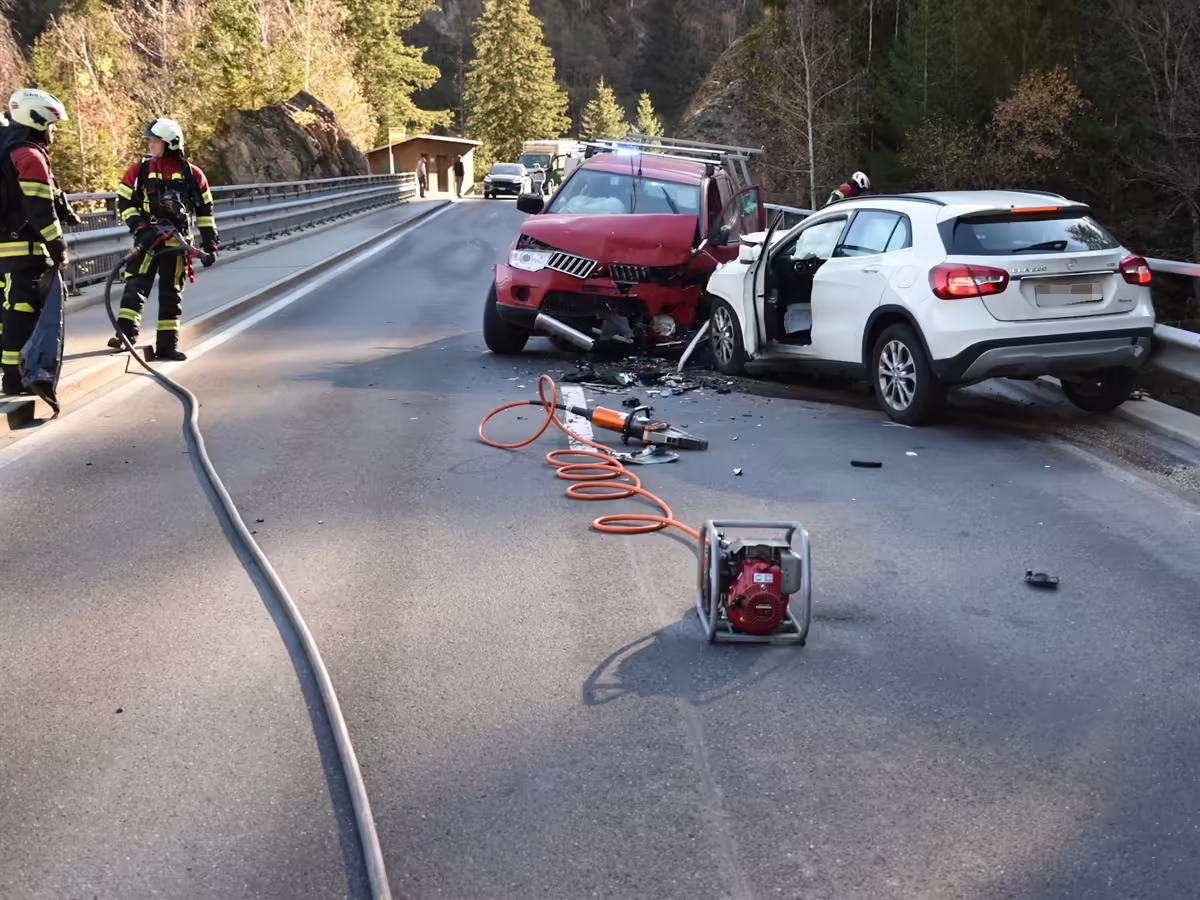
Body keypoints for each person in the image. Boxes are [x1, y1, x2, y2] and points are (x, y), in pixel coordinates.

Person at [107, 118, 218, 361]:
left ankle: (167, 346)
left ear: (170, 143)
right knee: (135, 286)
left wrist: (210, 245)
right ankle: (125, 336)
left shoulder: (192, 174)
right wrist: (139, 226)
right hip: (148, 241)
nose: (149, 145)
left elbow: (205, 212)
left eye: (154, 141)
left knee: (171, 295)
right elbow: (123, 201)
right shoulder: (141, 170)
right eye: (149, 140)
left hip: (177, 244)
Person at [0, 88, 72, 397]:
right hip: (25, 253)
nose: (54, 130)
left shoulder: (7, 150)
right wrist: (60, 251)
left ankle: (13, 380)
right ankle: (18, 380)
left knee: (7, 315)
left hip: (5, 250)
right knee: (21, 314)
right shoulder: (29, 156)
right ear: (38, 120)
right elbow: (42, 212)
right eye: (52, 124)